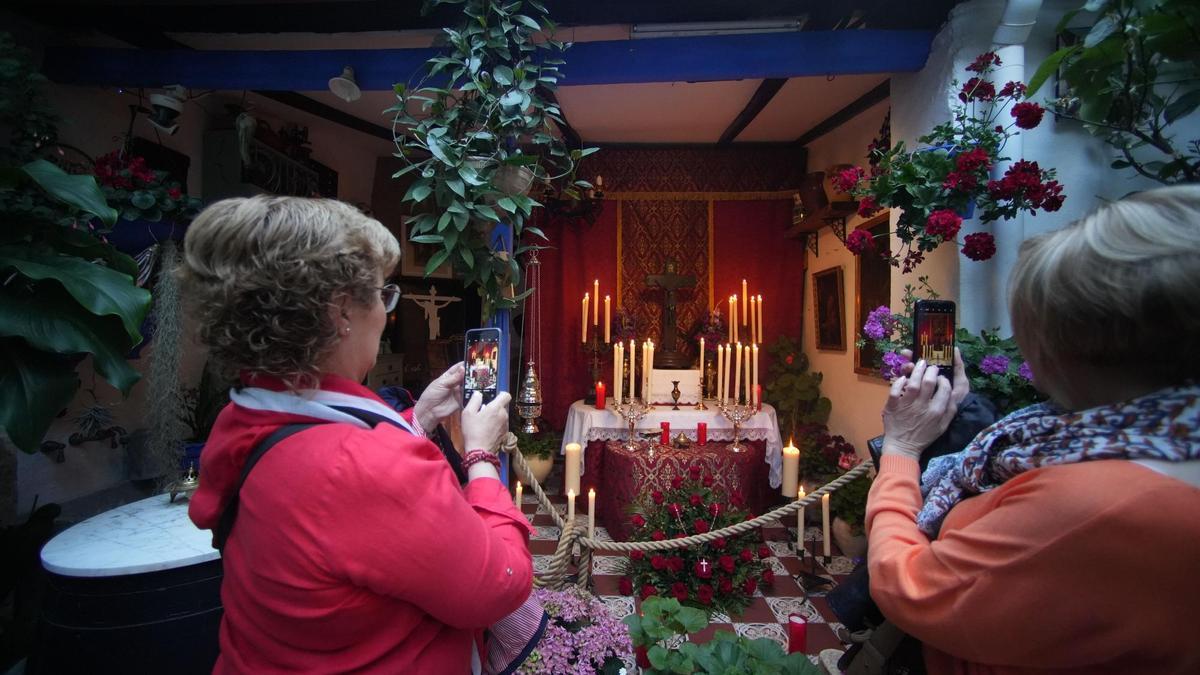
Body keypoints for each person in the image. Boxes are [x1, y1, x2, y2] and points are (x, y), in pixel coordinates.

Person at [180, 196, 533, 673]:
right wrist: (481, 456)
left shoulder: (245, 416)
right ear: (341, 310)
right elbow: (499, 584)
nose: (386, 313)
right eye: (383, 294)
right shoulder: (363, 465)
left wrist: (419, 419)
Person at [867, 185, 1200, 674]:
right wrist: (956, 414)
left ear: (1062, 346)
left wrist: (901, 447)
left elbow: (909, 586)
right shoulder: (1125, 439)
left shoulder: (1097, 505)